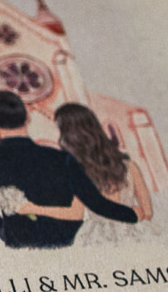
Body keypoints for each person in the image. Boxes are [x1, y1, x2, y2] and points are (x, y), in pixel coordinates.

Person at [0, 90, 139, 248]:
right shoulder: (61, 158)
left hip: (22, 244)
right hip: (68, 242)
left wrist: (10, 237)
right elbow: (96, 202)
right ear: (28, 118)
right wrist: (133, 215)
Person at [50, 101, 153, 246]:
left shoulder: (71, 170)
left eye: (60, 130)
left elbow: (74, 213)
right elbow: (147, 212)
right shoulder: (128, 165)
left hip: (97, 238)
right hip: (134, 234)